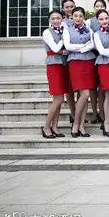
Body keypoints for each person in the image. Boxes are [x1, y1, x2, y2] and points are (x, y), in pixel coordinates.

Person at [62, 7, 95, 138]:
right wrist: (83, 47)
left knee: (85, 96)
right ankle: (76, 122)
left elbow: (92, 44)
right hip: (75, 63)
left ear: (83, 17)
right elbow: (68, 46)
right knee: (84, 94)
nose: (78, 18)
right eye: (76, 16)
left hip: (89, 62)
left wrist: (82, 48)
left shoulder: (89, 29)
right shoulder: (67, 30)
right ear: (72, 17)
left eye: (80, 16)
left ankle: (81, 125)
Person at [41, 10, 70, 139]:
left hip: (63, 65)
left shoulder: (63, 30)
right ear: (49, 20)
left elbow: (66, 50)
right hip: (53, 66)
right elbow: (55, 48)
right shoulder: (47, 32)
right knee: (58, 99)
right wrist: (64, 39)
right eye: (53, 18)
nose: (56, 21)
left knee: (59, 100)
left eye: (58, 18)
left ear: (62, 19)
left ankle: (55, 127)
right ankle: (46, 127)